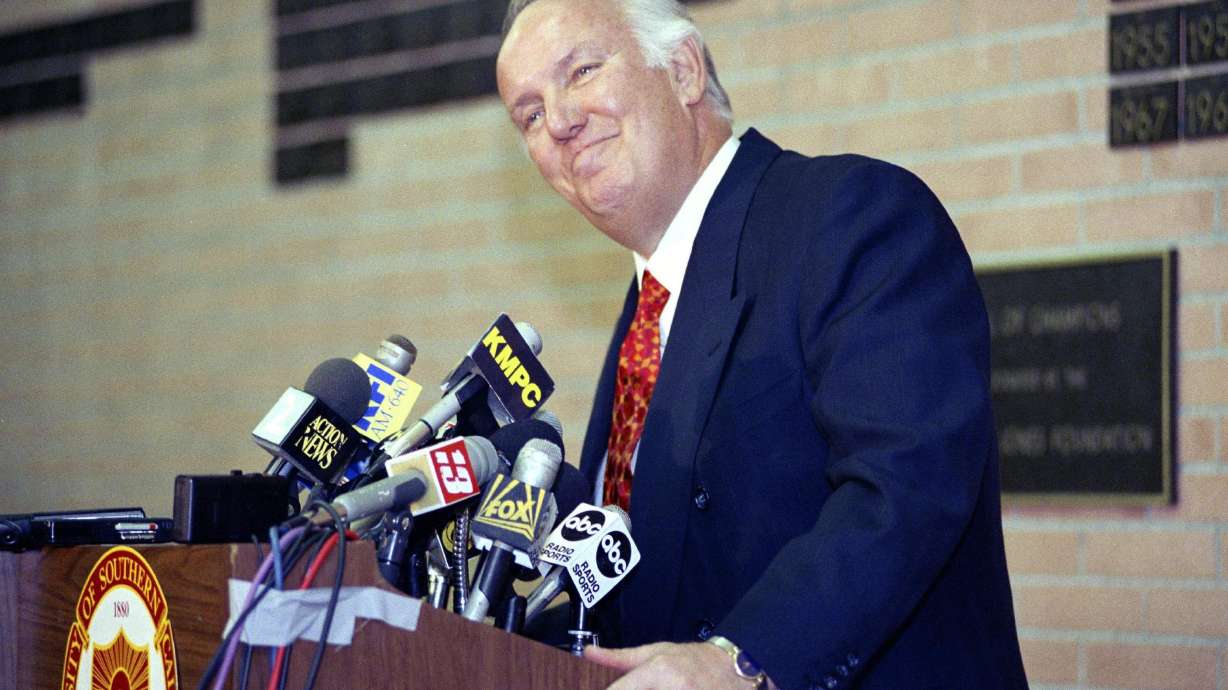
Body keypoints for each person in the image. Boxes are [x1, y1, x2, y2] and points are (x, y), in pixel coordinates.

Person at [495, 1, 1029, 688]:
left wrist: (742, 659)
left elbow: (904, 487)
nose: (561, 122)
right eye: (530, 115)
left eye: (583, 71)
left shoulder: (852, 217)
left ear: (683, 69)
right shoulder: (646, 309)